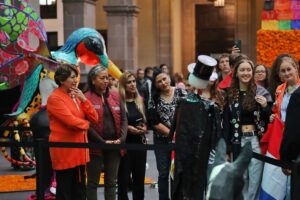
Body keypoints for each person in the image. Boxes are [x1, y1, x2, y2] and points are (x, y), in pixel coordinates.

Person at [47, 63, 98, 200]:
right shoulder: (55, 98)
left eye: (76, 77)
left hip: (80, 150)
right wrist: (87, 125)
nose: (76, 80)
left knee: (80, 191)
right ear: (62, 80)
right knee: (65, 192)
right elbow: (71, 122)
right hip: (65, 151)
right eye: (72, 77)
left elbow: (94, 117)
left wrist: (84, 99)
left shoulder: (76, 95)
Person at [223, 58, 272, 200]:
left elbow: (269, 118)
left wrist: (265, 107)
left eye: (249, 70)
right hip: (238, 140)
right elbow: (226, 123)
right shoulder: (230, 94)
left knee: (255, 179)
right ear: (236, 73)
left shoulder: (261, 92)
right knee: (240, 179)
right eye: (242, 70)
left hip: (255, 140)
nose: (246, 73)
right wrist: (226, 148)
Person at [260, 54, 300, 200]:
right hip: (281, 140)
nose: (286, 73)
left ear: (296, 68)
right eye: (282, 71)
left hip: (296, 140)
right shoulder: (279, 89)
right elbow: (279, 112)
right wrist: (273, 116)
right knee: (280, 181)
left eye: (289, 69)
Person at [84, 65, 128, 200]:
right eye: (102, 78)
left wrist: (121, 139)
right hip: (95, 146)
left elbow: (124, 119)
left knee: (111, 182)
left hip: (114, 146)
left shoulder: (115, 95)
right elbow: (87, 124)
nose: (106, 81)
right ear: (93, 80)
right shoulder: (86, 97)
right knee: (92, 183)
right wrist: (102, 142)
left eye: (107, 78)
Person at [148, 68, 187, 200]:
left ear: (169, 78)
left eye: (164, 79)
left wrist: (179, 134)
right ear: (156, 85)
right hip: (162, 141)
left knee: (177, 173)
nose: (163, 83)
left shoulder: (181, 92)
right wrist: (172, 134)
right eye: (159, 81)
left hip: (181, 140)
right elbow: (154, 122)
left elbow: (189, 114)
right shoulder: (154, 97)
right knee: (164, 173)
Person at [117, 72, 148, 200]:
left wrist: (144, 128)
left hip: (140, 144)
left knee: (139, 180)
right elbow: (117, 123)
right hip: (126, 145)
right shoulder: (119, 102)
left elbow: (145, 122)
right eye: (129, 82)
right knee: (123, 180)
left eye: (134, 81)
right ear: (123, 85)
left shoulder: (139, 100)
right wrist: (127, 128)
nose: (132, 84)